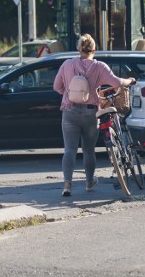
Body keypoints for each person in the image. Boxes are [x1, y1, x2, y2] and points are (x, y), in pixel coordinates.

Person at [53, 34, 135, 197]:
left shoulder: (67, 64)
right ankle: (89, 181)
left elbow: (57, 86)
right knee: (89, 150)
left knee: (69, 149)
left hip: (69, 111)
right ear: (94, 50)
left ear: (79, 49)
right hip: (91, 112)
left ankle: (67, 186)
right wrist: (130, 80)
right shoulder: (100, 67)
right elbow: (117, 83)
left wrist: (68, 95)